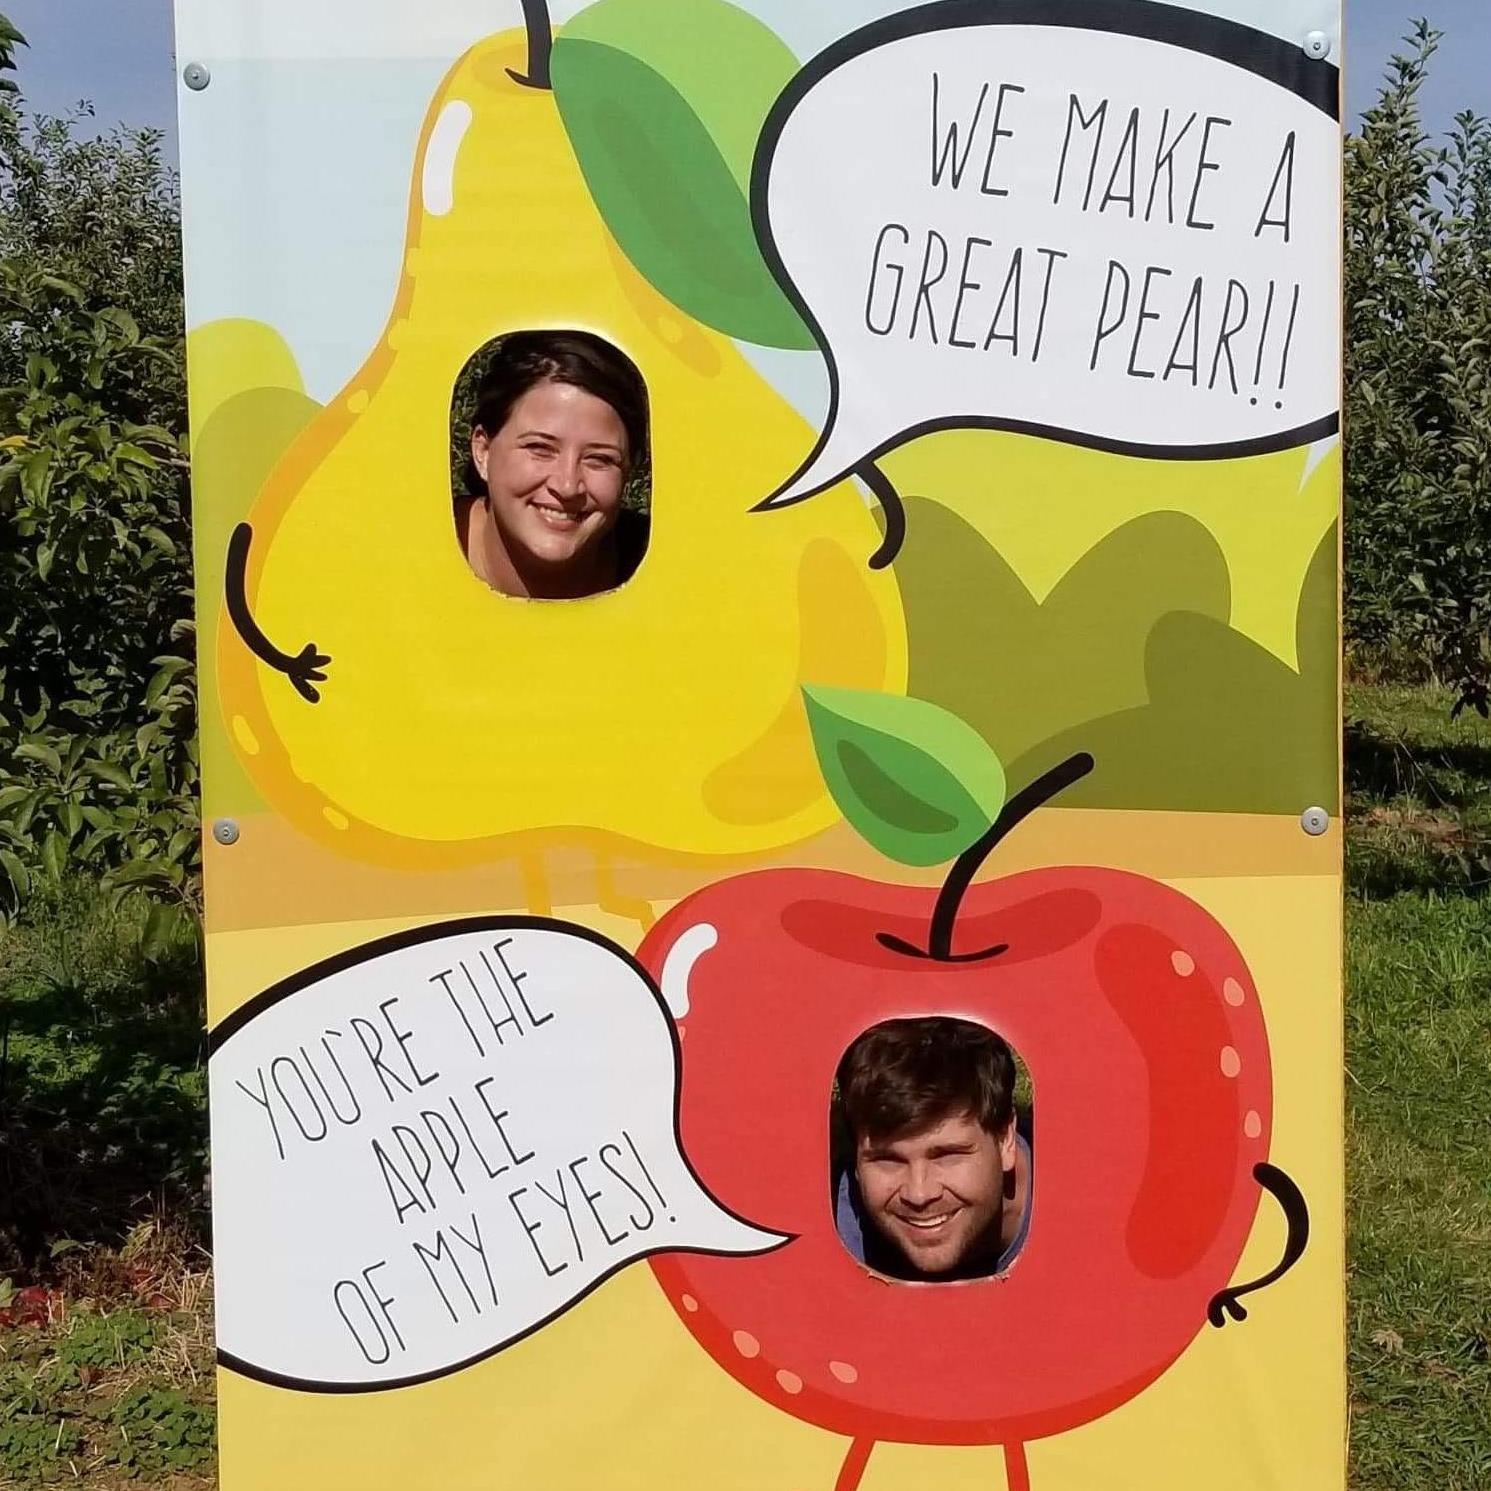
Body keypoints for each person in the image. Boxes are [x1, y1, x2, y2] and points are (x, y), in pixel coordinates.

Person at [832, 1016, 1031, 1282]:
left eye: (947, 1156)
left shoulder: (1088, 1208)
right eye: (889, 1160)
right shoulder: (832, 1228)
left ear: (1005, 1139)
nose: (919, 1193)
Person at [456, 329, 649, 599]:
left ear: (630, 468)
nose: (568, 486)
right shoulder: (406, 552)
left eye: (600, 459)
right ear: (483, 451)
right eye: (540, 448)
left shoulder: (675, 573)